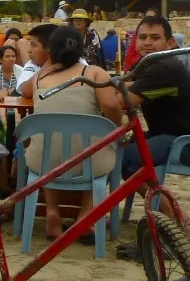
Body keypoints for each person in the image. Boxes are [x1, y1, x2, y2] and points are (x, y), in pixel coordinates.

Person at [22, 26, 121, 242]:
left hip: (42, 163)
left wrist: (49, 63)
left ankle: (52, 212)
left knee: (48, 145)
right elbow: (111, 104)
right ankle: (85, 216)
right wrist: (115, 131)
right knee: (101, 149)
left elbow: (25, 91)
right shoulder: (93, 73)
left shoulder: (39, 78)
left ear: (51, 51)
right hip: (87, 163)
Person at [122, 15, 190, 226]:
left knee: (124, 158)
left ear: (170, 43)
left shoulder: (164, 67)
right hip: (172, 135)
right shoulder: (146, 64)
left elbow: (124, 101)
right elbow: (123, 84)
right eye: (143, 37)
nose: (147, 43)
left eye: (155, 37)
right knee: (116, 148)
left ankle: (172, 213)